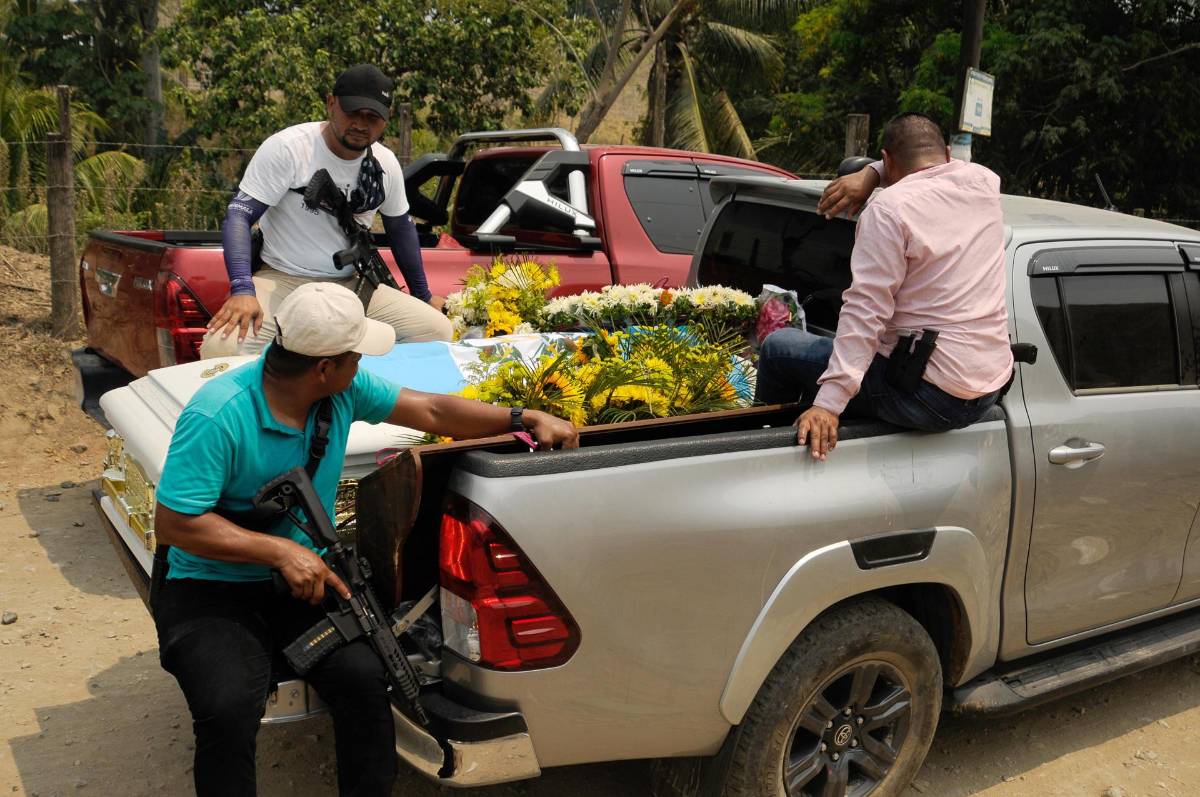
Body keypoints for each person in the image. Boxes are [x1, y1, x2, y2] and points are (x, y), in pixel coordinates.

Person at [153, 282, 578, 795]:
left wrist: (522, 419)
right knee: (225, 708)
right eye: (354, 356)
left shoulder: (341, 392)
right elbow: (176, 523)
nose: (361, 365)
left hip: (303, 588)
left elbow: (434, 413)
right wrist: (280, 550)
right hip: (210, 587)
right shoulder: (219, 415)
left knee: (364, 681)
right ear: (323, 368)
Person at [755, 112, 1013, 461]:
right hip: (987, 390)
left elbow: (865, 311)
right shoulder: (984, 182)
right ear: (949, 155)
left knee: (779, 346)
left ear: (887, 157)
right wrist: (873, 172)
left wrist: (829, 404)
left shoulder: (888, 209)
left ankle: (762, 453)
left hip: (932, 399)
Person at [202, 63, 452, 358]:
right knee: (221, 347)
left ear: (387, 119)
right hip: (284, 280)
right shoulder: (289, 148)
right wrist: (242, 290)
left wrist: (423, 296)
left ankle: (363, 395)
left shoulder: (385, 164)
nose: (361, 124)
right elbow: (238, 215)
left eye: (372, 117)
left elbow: (401, 230)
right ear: (331, 103)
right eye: (352, 112)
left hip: (353, 284)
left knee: (437, 331)